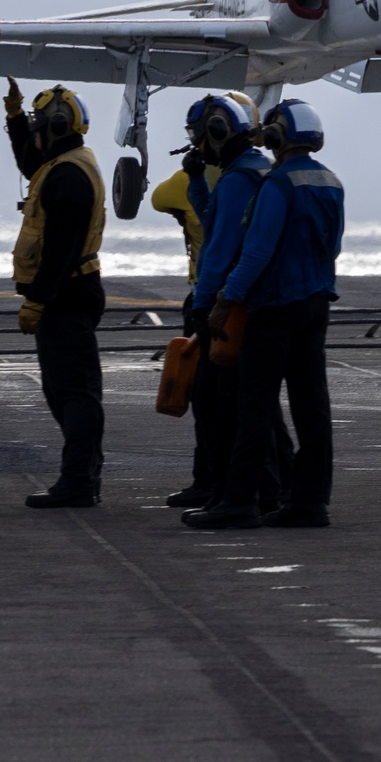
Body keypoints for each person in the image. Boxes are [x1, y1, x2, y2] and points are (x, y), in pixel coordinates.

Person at [183, 99, 343, 531]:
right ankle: (310, 502)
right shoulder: (329, 180)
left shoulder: (278, 184)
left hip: (273, 307)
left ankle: (240, 502)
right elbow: (332, 247)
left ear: (276, 136)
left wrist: (224, 300)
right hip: (315, 304)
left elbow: (255, 250)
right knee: (311, 406)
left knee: (252, 405)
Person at [5, 78, 107, 510]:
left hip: (67, 295)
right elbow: (31, 162)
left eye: (38, 127)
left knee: (74, 393)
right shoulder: (65, 163)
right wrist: (14, 119)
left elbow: (61, 250)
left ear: (57, 128)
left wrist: (38, 299)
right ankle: (83, 475)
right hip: (70, 293)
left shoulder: (68, 177)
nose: (35, 135)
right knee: (65, 391)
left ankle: (79, 481)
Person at [181, 92, 274, 511]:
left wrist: (203, 304)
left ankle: (227, 494)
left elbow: (219, 247)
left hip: (228, 307)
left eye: (198, 137)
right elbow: (214, 219)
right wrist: (197, 181)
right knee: (253, 406)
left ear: (217, 132)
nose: (196, 146)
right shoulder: (252, 169)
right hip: (253, 302)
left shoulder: (238, 180)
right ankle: (273, 490)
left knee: (217, 403)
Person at [150, 159, 219, 508]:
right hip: (248, 298)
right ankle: (271, 484)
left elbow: (158, 199)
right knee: (251, 398)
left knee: (205, 397)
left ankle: (209, 481)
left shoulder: (191, 180)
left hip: (207, 297)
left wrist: (191, 172)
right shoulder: (261, 173)